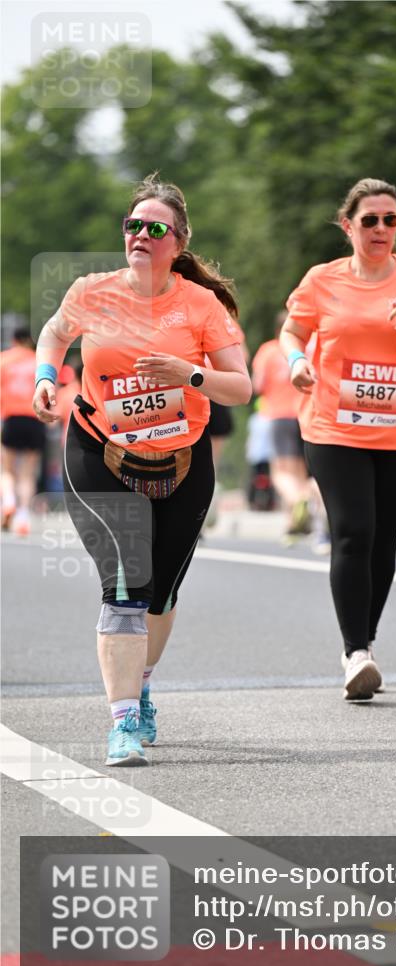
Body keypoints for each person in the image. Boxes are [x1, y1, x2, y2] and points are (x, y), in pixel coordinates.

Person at [32, 173, 251, 766]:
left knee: (160, 596)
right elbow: (54, 335)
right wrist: (46, 379)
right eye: (133, 226)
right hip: (98, 451)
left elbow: (241, 388)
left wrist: (189, 375)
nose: (141, 236)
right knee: (127, 588)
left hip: (182, 461)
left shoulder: (201, 305)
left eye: (156, 228)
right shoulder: (91, 291)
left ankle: (143, 681)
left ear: (177, 242)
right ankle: (123, 722)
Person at [280, 177, 396, 699]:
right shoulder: (323, 280)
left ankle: (366, 639)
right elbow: (292, 330)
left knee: (382, 542)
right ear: (347, 224)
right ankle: (356, 653)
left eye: (390, 220)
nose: (381, 229)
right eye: (370, 219)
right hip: (334, 427)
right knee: (353, 531)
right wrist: (298, 360)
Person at [252, 311, 312, 544]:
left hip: (278, 415)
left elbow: (258, 385)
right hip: (303, 413)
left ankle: (299, 499)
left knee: (280, 472)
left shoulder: (268, 351)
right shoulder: (304, 350)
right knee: (298, 470)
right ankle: (293, 522)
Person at [1, 326, 46, 535]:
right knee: (28, 473)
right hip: (35, 418)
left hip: (11, 418)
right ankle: (23, 516)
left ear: (13, 339)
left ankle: (9, 501)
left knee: (7, 469)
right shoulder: (39, 361)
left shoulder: (4, 360)